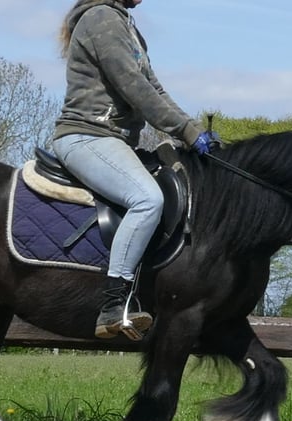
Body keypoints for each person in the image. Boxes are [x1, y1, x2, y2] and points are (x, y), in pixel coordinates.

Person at [52, 0, 218, 339]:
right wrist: (186, 131)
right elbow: (135, 88)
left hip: (114, 141)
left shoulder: (126, 25)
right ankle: (113, 304)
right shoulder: (102, 19)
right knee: (147, 199)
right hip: (87, 137)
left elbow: (154, 88)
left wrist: (192, 128)